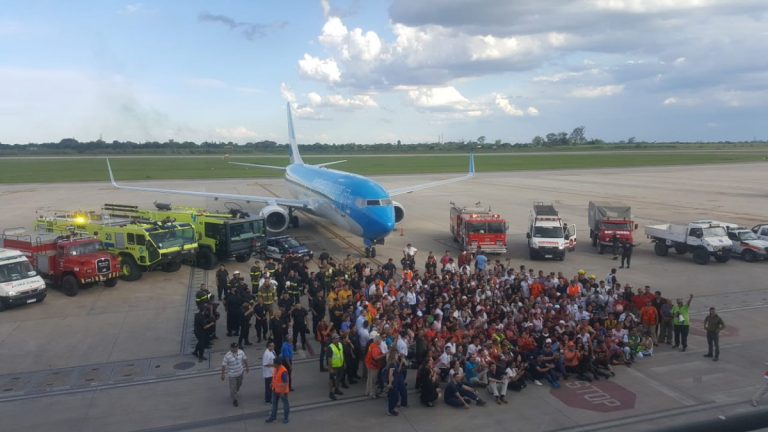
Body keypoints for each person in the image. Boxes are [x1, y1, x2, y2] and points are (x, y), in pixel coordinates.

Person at [221, 342, 249, 407]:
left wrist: (247, 367)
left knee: (239, 384)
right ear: (231, 348)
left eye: (237, 347)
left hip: (240, 372)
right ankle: (234, 400)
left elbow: (245, 359)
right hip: (232, 375)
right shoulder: (227, 355)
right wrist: (222, 374)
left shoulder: (241, 352)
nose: (236, 349)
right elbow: (223, 365)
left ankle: (234, 392)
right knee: (233, 388)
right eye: (234, 348)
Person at [265, 357, 290, 424]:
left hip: (282, 392)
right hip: (275, 390)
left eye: (274, 364)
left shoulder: (283, 371)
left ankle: (286, 418)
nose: (273, 365)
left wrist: (282, 392)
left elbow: (285, 383)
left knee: (285, 404)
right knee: (274, 404)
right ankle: (273, 417)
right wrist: (271, 383)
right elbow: (275, 378)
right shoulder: (276, 368)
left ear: (277, 364)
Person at [365, 332, 385, 398]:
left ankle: (367, 391)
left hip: (369, 364)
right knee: (373, 380)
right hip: (373, 366)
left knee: (369, 379)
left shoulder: (371, 345)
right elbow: (376, 357)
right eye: (380, 340)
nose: (381, 341)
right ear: (377, 341)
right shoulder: (375, 348)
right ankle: (372, 393)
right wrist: (383, 355)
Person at [328, 333, 345, 400]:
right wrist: (331, 368)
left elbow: (342, 354)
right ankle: (331, 393)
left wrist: (344, 363)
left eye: (338, 338)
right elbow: (329, 359)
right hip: (334, 367)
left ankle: (336, 389)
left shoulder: (340, 344)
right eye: (337, 338)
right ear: (333, 340)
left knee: (338, 379)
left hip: (340, 365)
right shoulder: (330, 347)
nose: (338, 339)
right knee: (332, 380)